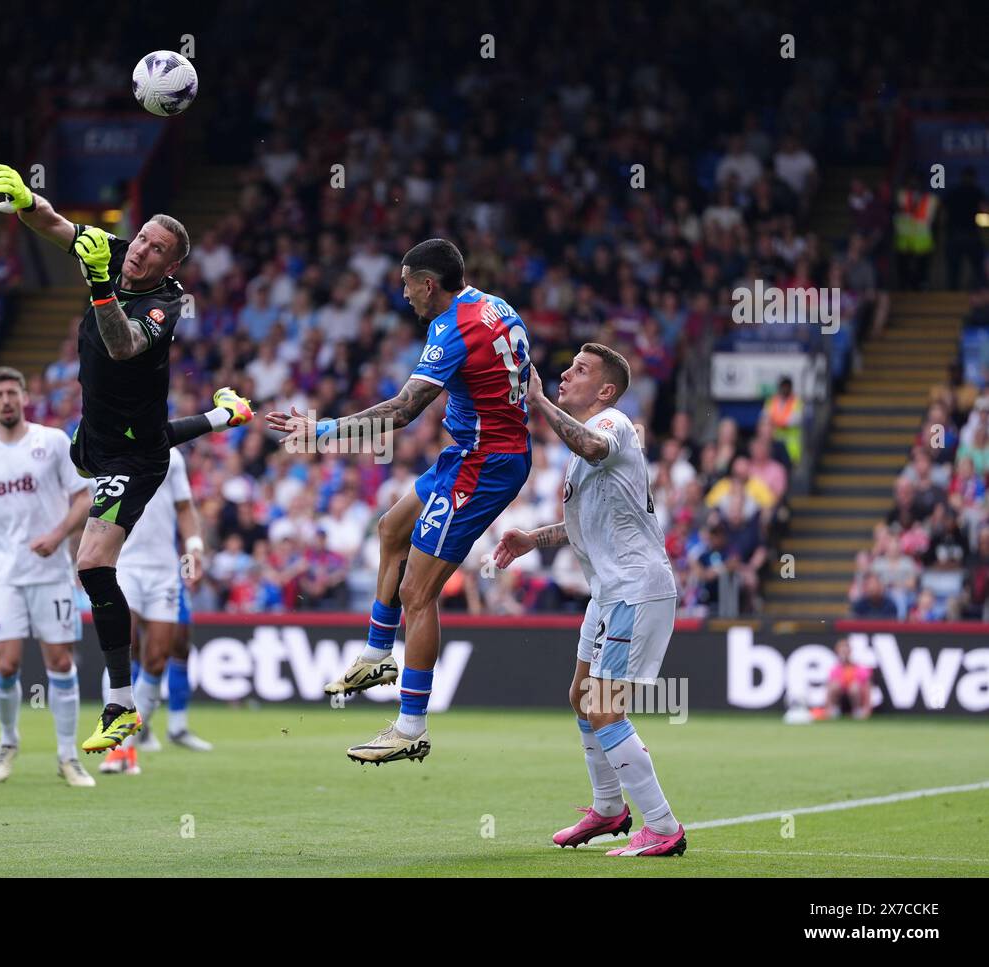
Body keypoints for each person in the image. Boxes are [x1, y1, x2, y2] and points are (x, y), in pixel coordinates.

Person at [0, 163, 254, 755]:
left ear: (171, 266)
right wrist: (27, 198)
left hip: (130, 458)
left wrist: (102, 287)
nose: (141, 253)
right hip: (97, 437)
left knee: (93, 564)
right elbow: (53, 223)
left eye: (156, 250)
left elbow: (122, 343)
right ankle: (223, 415)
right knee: (127, 440)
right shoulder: (114, 250)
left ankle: (121, 704)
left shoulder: (166, 303)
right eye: (140, 240)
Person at [268, 238, 532, 765]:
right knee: (391, 529)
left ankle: (411, 725)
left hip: (483, 463)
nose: (404, 294)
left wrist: (317, 431)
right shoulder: (493, 305)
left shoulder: (451, 328)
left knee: (417, 592)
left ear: (429, 283)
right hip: (471, 452)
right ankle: (375, 655)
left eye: (408, 284)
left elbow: (404, 409)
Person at [493, 345, 686, 858]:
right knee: (583, 697)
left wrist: (538, 402)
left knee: (604, 707)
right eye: (569, 367)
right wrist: (535, 539)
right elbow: (589, 525)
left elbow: (593, 448)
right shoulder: (582, 454)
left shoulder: (614, 424)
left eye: (580, 370)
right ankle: (608, 809)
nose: (564, 373)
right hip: (608, 591)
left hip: (636, 588)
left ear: (604, 390)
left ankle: (663, 827)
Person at [0, 367, 97, 787]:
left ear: (24, 395)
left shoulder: (54, 442)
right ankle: (8, 741)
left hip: (50, 572)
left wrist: (58, 534)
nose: (6, 400)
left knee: (59, 662)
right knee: (6, 664)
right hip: (2, 574)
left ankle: (67, 756)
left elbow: (85, 496)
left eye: (13, 391)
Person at [99, 447, 214, 776]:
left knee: (158, 657)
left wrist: (194, 548)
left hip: (164, 570)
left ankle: (129, 745)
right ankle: (117, 744)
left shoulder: (171, 456)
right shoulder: (110, 449)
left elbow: (184, 508)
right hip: (123, 563)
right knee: (123, 645)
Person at [819, 638, 874, 720]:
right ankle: (833, 710)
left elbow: (867, 689)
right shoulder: (835, 669)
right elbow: (829, 689)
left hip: (856, 698)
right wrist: (827, 708)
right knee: (834, 685)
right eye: (841, 651)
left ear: (850, 652)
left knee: (854, 687)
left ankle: (857, 711)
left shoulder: (860, 668)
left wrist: (867, 708)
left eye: (846, 651)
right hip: (841, 700)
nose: (844, 653)